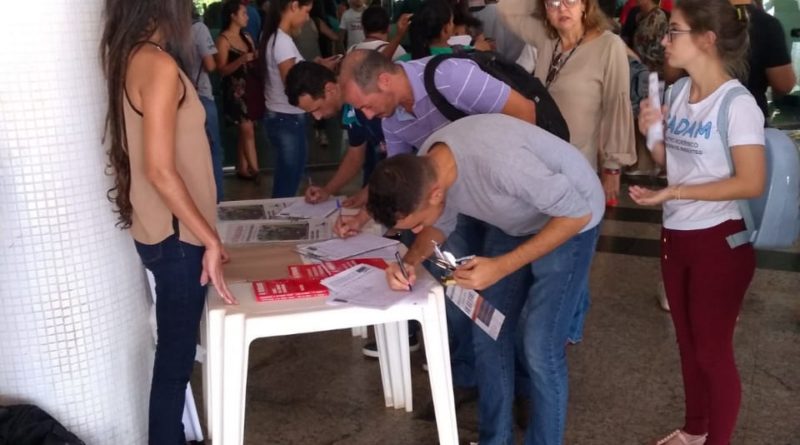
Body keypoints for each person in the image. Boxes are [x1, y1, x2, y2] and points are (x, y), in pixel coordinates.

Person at [368, 114, 604, 445]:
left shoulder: (502, 164)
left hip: (572, 218)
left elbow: (576, 213)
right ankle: (496, 439)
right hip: (514, 219)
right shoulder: (427, 165)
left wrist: (502, 266)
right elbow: (440, 224)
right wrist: (410, 261)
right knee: (486, 328)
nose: (417, 232)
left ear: (434, 194)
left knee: (540, 345)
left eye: (415, 224)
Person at [100, 0, 236, 443]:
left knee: (174, 358)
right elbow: (160, 170)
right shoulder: (156, 65)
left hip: (166, 234)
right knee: (175, 363)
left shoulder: (128, 56)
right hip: (179, 239)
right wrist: (209, 238)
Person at [632, 1, 765, 443]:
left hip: (720, 243)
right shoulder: (676, 93)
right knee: (688, 346)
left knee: (712, 352)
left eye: (675, 31)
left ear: (707, 39)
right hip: (678, 236)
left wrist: (676, 192)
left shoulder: (737, 104)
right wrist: (652, 137)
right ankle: (695, 430)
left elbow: (750, 182)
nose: (665, 41)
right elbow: (674, 164)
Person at [334, 48, 537, 233]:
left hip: (508, 194)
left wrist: (506, 180)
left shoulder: (450, 77)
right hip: (458, 199)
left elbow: (525, 112)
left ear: (384, 81)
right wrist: (360, 219)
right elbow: (394, 179)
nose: (368, 116)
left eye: (366, 106)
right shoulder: (391, 120)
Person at [499, 0, 637, 206]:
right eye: (553, 3)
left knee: (572, 228)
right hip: (539, 161)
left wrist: (612, 166)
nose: (562, 8)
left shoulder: (608, 45)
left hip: (577, 164)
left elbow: (616, 106)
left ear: (585, 5)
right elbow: (505, 8)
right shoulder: (547, 38)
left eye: (570, 1)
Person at [260, 0, 340, 197]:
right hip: (287, 118)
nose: (306, 18)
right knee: (288, 183)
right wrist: (322, 72)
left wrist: (315, 64)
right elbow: (295, 87)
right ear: (294, 6)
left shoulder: (273, 37)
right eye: (306, 11)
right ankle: (279, 223)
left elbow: (294, 74)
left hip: (281, 117)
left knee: (288, 176)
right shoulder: (283, 42)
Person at [285, 61, 387, 201]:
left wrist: (369, 193)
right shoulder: (348, 110)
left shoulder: (371, 96)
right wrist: (327, 190)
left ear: (330, 89)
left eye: (317, 109)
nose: (317, 117)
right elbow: (355, 155)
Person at [216, 0, 262, 181]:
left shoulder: (247, 37)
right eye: (243, 13)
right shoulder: (223, 40)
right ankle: (256, 169)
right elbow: (222, 70)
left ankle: (242, 167)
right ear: (232, 16)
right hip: (235, 92)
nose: (247, 16)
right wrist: (241, 60)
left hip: (250, 88)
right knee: (247, 128)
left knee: (246, 129)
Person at [735, 0, 797, 120]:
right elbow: (784, 85)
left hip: (697, 123)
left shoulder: (697, 18)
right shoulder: (765, 24)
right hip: (751, 118)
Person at [189, 9, 225, 202]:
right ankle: (217, 200)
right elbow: (211, 65)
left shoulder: (167, 31)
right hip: (201, 95)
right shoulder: (199, 29)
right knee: (213, 151)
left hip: (180, 99)